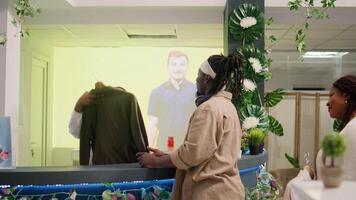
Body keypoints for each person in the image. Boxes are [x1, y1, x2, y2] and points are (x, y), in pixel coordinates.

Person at [137, 54, 245, 200]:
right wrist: (170, 156)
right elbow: (209, 151)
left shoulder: (209, 109)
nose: (196, 79)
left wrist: (155, 161)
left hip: (211, 192)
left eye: (198, 75)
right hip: (228, 191)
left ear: (206, 78)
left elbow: (193, 153)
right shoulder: (228, 106)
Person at [283, 75, 356, 199]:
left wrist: (304, 177)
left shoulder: (353, 129)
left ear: (346, 96)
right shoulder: (350, 127)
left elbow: (344, 186)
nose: (327, 103)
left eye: (332, 95)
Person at [69, 82, 148, 165]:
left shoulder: (129, 103)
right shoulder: (92, 103)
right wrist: (79, 105)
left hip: (121, 168)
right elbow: (76, 131)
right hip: (100, 169)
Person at [147, 51, 196, 151]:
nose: (178, 68)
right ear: (168, 67)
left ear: (187, 67)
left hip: (190, 149)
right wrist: (149, 149)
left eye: (182, 64)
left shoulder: (196, 91)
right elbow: (153, 124)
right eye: (174, 64)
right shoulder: (157, 92)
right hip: (164, 149)